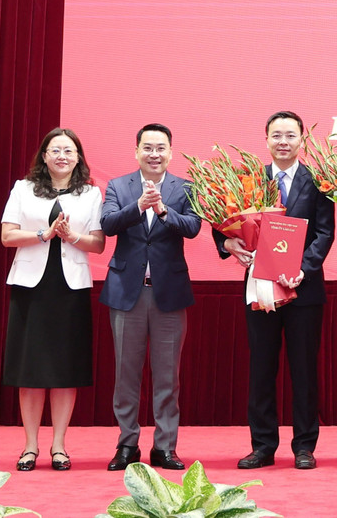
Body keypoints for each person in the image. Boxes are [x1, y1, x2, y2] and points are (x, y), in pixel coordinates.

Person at [218, 111, 335, 470]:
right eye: (277, 135)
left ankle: (304, 446)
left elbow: (325, 232)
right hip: (260, 289)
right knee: (261, 369)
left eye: (290, 135)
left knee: (304, 371)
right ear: (266, 139)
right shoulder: (248, 180)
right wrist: (228, 244)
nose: (283, 142)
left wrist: (303, 268)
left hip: (304, 291)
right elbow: (223, 224)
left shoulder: (319, 181)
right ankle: (263, 445)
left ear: (302, 140)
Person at [0, 128, 106, 472]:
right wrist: (43, 234)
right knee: (29, 369)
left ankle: (59, 446)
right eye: (55, 150)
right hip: (31, 287)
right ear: (44, 156)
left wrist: (71, 236)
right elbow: (7, 236)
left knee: (65, 369)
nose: (62, 156)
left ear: (78, 158)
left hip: (70, 288)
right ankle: (30, 446)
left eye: (69, 151)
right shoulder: (23, 188)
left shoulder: (91, 193)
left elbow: (98, 244)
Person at [100, 124, 202, 472]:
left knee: (167, 376)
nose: (154, 154)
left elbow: (193, 227)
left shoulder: (185, 188)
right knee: (126, 375)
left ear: (170, 152)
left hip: (168, 294)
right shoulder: (118, 186)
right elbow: (108, 223)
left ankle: (164, 446)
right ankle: (127, 444)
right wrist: (138, 206)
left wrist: (162, 211)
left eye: (161, 148)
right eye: (147, 147)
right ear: (137, 151)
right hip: (126, 293)